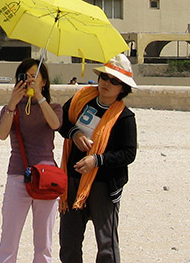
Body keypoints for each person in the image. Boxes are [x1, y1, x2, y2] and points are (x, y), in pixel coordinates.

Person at [58, 53, 138, 263]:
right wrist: (75, 133)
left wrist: (97, 160)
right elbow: (61, 121)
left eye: (114, 81)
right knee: (69, 239)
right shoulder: (81, 99)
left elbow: (128, 153)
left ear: (123, 88)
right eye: (104, 77)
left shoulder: (125, 117)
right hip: (73, 179)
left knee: (106, 243)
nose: (107, 83)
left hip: (104, 183)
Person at [0, 58, 62, 263]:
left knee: (44, 244)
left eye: (34, 76)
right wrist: (12, 104)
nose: (29, 81)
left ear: (44, 82)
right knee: (9, 239)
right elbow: (2, 134)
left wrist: (39, 97)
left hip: (46, 176)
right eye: (25, 77)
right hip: (18, 175)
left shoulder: (53, 107)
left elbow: (55, 124)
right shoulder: (10, 109)